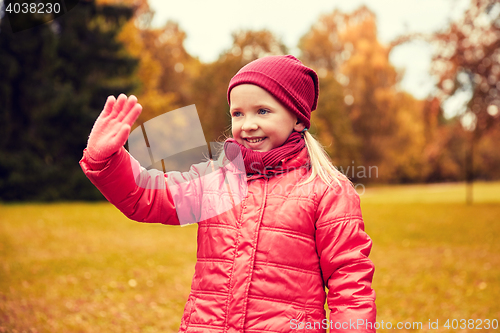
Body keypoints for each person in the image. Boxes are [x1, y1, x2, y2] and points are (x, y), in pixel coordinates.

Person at [80, 55, 376, 332]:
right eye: (237, 113)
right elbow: (148, 197)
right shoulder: (214, 181)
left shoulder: (327, 189)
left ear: (298, 118)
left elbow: (349, 282)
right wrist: (106, 159)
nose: (247, 124)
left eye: (263, 111)